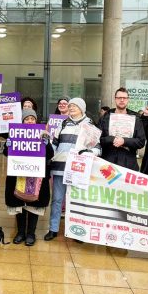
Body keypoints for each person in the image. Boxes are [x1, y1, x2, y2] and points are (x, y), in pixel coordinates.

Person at [46, 97, 100, 241]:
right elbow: (54, 143)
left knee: (77, 200)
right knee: (57, 199)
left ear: (82, 108)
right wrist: (46, 146)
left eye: (74, 106)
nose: (71, 108)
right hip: (59, 166)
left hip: (78, 169)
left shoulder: (89, 125)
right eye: (70, 106)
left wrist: (91, 152)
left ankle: (78, 232)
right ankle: (53, 229)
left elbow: (97, 147)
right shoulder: (63, 123)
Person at [4, 108, 53, 246]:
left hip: (35, 176)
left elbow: (50, 155)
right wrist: (8, 145)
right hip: (19, 174)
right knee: (19, 203)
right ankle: (20, 232)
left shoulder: (43, 134)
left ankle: (31, 233)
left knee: (34, 204)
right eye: (27, 119)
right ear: (22, 121)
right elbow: (7, 153)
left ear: (36, 121)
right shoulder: (15, 134)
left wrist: (46, 143)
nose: (30, 121)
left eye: (32, 119)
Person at [99, 87, 146, 171]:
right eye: (119, 98)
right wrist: (111, 139)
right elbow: (98, 139)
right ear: (115, 99)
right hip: (108, 162)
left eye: (124, 98)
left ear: (128, 100)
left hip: (128, 163)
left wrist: (124, 141)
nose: (122, 100)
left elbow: (141, 142)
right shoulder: (105, 117)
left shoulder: (136, 118)